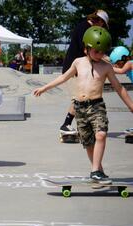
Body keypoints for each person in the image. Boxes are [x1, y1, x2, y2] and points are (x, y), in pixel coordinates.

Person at [33, 26, 133, 183]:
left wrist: (131, 106)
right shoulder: (78, 62)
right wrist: (45, 87)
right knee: (88, 142)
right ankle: (98, 170)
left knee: (101, 134)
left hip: (96, 106)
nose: (100, 55)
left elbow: (119, 88)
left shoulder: (106, 67)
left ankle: (94, 171)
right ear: (86, 48)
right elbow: (64, 78)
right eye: (96, 51)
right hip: (79, 107)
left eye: (102, 51)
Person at [60, 9, 109, 135]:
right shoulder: (85, 29)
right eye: (103, 24)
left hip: (76, 67)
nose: (102, 28)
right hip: (73, 68)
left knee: (79, 97)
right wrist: (105, 59)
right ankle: (66, 124)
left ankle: (73, 124)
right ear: (99, 21)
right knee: (78, 97)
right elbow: (87, 49)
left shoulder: (84, 26)